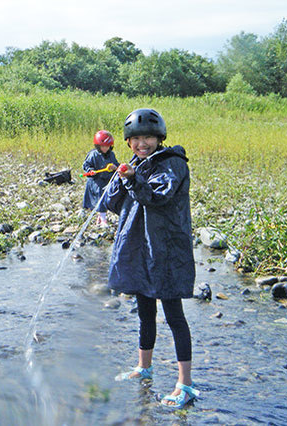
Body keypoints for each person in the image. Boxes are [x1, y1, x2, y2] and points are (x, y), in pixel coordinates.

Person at [105, 108, 198, 408]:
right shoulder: (135, 163)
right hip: (140, 250)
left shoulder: (172, 164)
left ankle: (185, 385)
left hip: (167, 252)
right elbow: (111, 203)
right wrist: (121, 178)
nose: (142, 144)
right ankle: (144, 367)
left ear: (159, 138)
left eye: (148, 138)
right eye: (135, 139)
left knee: (175, 318)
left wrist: (133, 179)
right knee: (145, 313)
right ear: (128, 142)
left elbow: (156, 197)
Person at [82, 130, 119, 226]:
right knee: (100, 194)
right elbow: (86, 165)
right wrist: (90, 171)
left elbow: (116, 165)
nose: (105, 148)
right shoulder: (93, 155)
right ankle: (103, 219)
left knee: (110, 194)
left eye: (107, 146)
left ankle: (100, 215)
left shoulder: (111, 154)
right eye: (103, 146)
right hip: (96, 180)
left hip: (107, 179)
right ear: (98, 146)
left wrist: (115, 167)